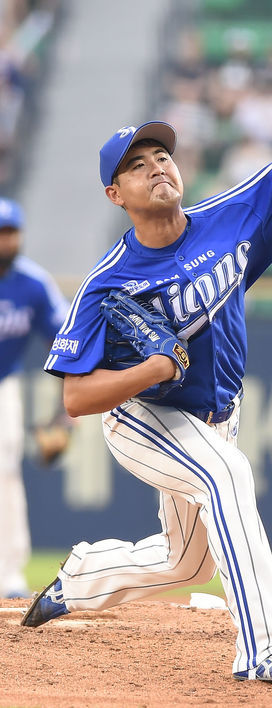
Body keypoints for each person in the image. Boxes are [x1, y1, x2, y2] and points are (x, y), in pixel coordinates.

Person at [20, 26, 272, 683]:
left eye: (162, 155)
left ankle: (83, 577)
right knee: (227, 476)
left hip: (216, 413)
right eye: (136, 164)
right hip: (144, 416)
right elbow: (75, 398)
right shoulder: (107, 284)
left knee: (186, 562)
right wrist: (149, 369)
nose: (157, 166)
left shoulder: (234, 217)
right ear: (115, 195)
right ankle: (265, 649)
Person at [0, 197, 69, 598]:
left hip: (3, 385)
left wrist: (64, 416)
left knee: (4, 471)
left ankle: (8, 574)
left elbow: (66, 347)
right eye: (0, 233)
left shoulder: (33, 284)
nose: (6, 240)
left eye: (11, 232)